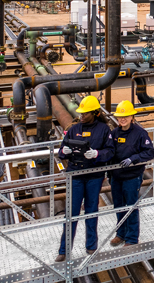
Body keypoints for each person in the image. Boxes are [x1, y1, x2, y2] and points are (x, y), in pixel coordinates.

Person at [55, 96, 114, 262]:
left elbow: (110, 151)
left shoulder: (104, 130)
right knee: (71, 213)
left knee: (91, 211)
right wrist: (63, 152)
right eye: (80, 113)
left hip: (94, 176)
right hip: (76, 176)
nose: (81, 116)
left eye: (85, 113)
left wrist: (97, 154)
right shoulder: (74, 129)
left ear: (94, 113)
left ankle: (91, 246)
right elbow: (61, 150)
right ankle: (64, 250)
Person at [109, 100, 154, 247]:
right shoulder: (114, 133)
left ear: (131, 117)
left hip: (132, 177)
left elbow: (150, 152)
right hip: (116, 177)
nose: (123, 119)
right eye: (120, 117)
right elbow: (108, 152)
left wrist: (133, 159)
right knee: (118, 206)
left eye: (126, 116)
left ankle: (131, 238)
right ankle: (120, 234)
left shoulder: (140, 133)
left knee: (131, 207)